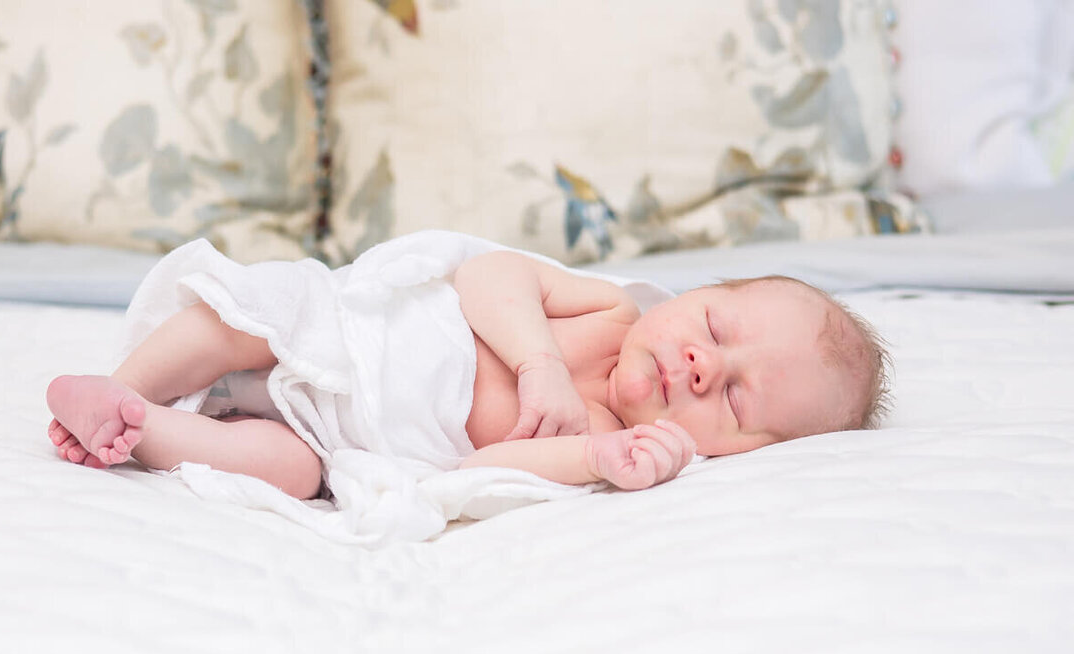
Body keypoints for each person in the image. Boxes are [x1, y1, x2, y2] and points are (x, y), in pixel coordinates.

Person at [46, 236, 890, 508]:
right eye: (714, 326)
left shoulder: (606, 437)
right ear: (691, 294)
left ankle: (139, 428)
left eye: (737, 395)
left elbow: (478, 473)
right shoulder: (607, 315)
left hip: (331, 432)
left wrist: (596, 463)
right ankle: (129, 381)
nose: (705, 366)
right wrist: (538, 363)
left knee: (292, 474)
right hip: (342, 338)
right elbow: (488, 274)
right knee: (243, 321)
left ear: (744, 454)